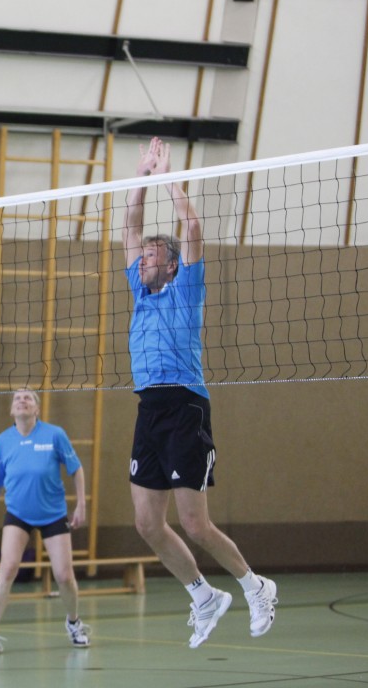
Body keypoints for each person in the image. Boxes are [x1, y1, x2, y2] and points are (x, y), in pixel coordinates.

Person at [122, 136, 277, 648]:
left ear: (170, 266)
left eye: (151, 256)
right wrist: (141, 178)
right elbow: (129, 225)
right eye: (141, 256)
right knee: (147, 523)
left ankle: (255, 586)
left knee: (194, 523)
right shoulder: (139, 292)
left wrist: (169, 179)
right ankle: (203, 596)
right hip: (149, 408)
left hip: (185, 405)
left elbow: (191, 228)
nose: (142, 260)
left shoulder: (186, 289)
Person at [0, 388, 89, 654]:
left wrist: (81, 504)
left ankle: (74, 622)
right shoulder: (3, 442)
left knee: (64, 575)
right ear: (11, 410)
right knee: (7, 569)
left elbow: (76, 469)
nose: (22, 400)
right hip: (18, 513)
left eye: (28, 398)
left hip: (53, 513)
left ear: (36, 409)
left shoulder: (55, 434)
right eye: (17, 398)